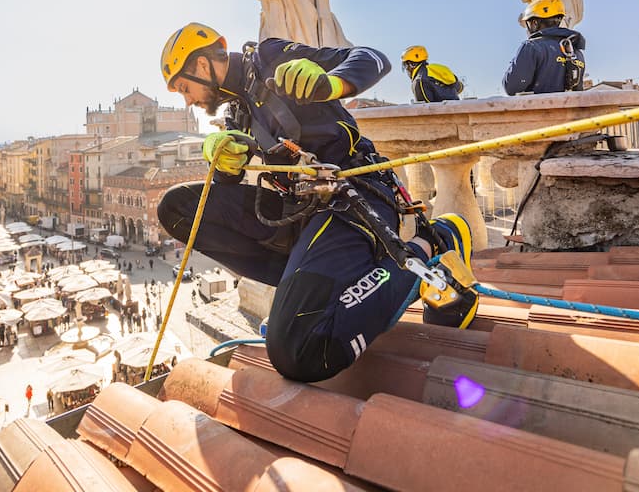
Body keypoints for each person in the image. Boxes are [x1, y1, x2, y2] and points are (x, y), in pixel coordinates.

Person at [157, 23, 478, 383]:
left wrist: (331, 82)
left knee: (300, 350)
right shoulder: (236, 111)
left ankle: (435, 241)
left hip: (352, 198)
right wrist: (222, 163)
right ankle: (301, 288)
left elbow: (373, 58)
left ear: (202, 65)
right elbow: (226, 192)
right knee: (176, 208)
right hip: (301, 210)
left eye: (184, 88)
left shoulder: (267, 58)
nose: (187, 100)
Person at [503, 0, 586, 95]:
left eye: (528, 24)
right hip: (570, 105)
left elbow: (512, 87)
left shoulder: (532, 47)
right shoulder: (577, 52)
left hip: (540, 105)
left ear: (534, 23)